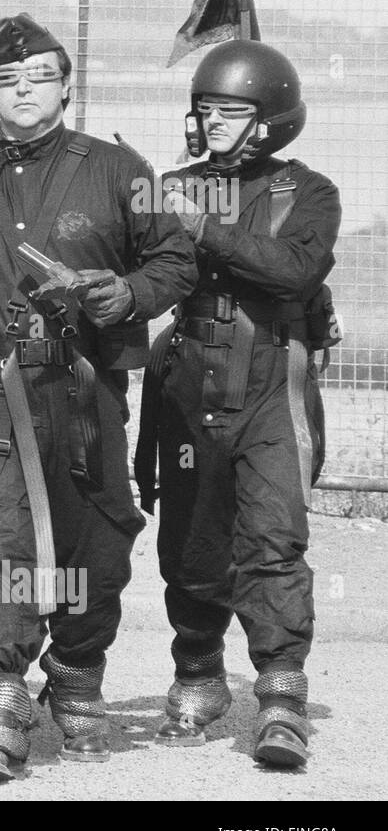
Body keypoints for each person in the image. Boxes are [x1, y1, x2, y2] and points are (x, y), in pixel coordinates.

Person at [0, 13, 197, 783]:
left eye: (38, 77)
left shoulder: (117, 168)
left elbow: (174, 262)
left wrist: (124, 295)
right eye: (6, 81)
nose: (23, 92)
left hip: (84, 386)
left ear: (65, 86)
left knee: (96, 541)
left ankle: (75, 676)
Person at [136, 40, 339, 768]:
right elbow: (158, 277)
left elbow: (293, 272)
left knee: (273, 539)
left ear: (272, 120)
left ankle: (281, 697)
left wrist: (204, 227)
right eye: (204, 109)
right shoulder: (172, 184)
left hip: (271, 385)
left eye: (230, 111)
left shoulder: (310, 193)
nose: (211, 122)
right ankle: (197, 671)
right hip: (191, 381)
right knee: (190, 542)